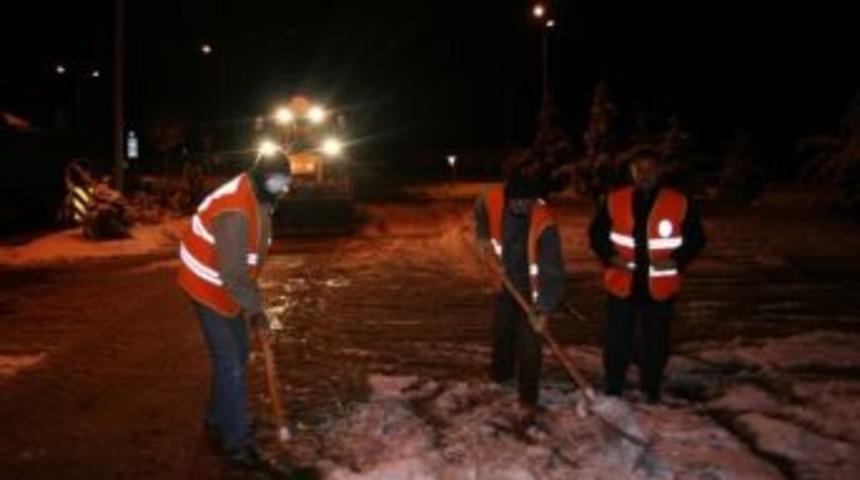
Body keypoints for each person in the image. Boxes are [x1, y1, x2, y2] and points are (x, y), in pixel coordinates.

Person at [176, 146, 292, 468]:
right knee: (231, 364)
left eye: (285, 182)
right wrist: (255, 310)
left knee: (238, 355)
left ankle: (218, 416)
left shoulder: (260, 197)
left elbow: (245, 264)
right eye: (277, 182)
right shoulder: (236, 211)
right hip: (205, 284)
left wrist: (250, 303)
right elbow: (231, 271)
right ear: (260, 178)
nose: (282, 189)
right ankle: (236, 443)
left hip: (228, 286)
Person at [589, 148, 705, 403]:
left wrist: (677, 260)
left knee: (656, 342)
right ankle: (614, 385)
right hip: (622, 283)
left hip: (659, 286)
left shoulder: (679, 201)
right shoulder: (614, 199)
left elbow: (697, 238)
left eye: (650, 169)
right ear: (631, 173)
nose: (645, 175)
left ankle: (651, 386)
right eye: (639, 170)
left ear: (659, 171)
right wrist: (609, 256)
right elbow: (596, 234)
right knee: (617, 340)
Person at [475, 169, 567, 407]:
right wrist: (483, 237)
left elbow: (553, 271)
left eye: (525, 202)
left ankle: (528, 396)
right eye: (514, 201)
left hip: (531, 292)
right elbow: (480, 207)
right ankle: (500, 376)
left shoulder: (545, 224)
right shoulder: (495, 199)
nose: (519, 206)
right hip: (504, 284)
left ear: (534, 199)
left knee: (530, 344)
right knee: (502, 333)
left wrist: (544, 308)